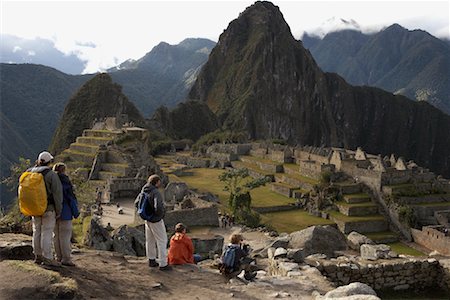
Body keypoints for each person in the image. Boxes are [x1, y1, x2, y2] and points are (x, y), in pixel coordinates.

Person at [29, 151, 63, 267]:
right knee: (47, 232)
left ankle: (37, 256)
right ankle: (47, 258)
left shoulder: (29, 172)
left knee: (36, 231)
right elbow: (57, 194)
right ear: (49, 162)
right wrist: (58, 210)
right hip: (48, 208)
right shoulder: (51, 175)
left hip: (34, 208)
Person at [141, 174, 171, 271]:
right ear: (156, 182)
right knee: (162, 240)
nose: (160, 183)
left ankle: (151, 259)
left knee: (149, 240)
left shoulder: (144, 189)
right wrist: (160, 215)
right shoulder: (155, 192)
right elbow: (158, 206)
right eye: (159, 181)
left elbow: (136, 202)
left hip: (147, 219)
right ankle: (163, 264)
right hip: (155, 220)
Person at [52, 163, 79, 266]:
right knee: (65, 237)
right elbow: (71, 199)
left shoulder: (51, 182)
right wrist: (76, 213)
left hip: (53, 212)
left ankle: (58, 257)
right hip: (65, 212)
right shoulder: (65, 182)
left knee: (56, 236)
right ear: (63, 171)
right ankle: (66, 258)